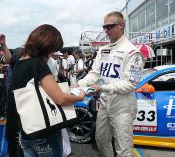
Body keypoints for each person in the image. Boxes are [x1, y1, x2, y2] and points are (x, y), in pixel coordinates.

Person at [6, 24, 85, 157]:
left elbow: (37, 89)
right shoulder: (38, 64)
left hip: (26, 130)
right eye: (53, 48)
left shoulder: (19, 62)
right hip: (44, 131)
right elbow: (60, 98)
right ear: (47, 46)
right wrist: (80, 96)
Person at [73, 11, 145, 157]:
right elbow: (95, 73)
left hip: (123, 107)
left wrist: (102, 87)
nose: (106, 30)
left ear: (121, 25)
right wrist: (80, 84)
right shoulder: (103, 50)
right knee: (100, 140)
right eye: (104, 27)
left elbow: (131, 84)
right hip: (105, 104)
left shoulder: (133, 52)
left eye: (110, 26)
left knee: (123, 149)